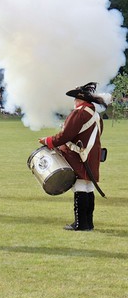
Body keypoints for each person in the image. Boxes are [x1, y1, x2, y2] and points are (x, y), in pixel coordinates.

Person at [39, 82, 105, 231]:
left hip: (78, 155)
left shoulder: (79, 113)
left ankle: (81, 224)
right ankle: (88, 223)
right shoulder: (95, 115)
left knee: (80, 186)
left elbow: (66, 135)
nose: (74, 102)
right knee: (88, 186)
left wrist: (48, 140)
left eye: (75, 99)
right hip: (90, 154)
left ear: (79, 99)